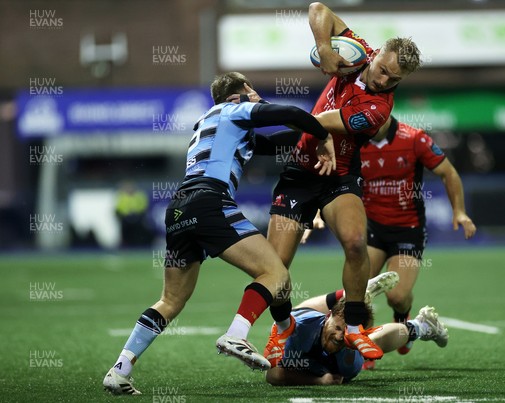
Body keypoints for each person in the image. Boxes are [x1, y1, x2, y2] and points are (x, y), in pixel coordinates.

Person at [102, 72, 336, 395]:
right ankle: (237, 334)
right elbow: (290, 114)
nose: (255, 94)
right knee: (274, 272)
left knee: (170, 300)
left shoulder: (209, 123)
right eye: (251, 89)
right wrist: (323, 133)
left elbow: (277, 139)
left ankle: (120, 369)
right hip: (209, 201)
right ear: (238, 94)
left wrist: (313, 137)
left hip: (179, 209)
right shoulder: (233, 110)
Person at [264, 1, 423, 366]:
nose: (383, 80)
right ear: (377, 52)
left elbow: (323, 120)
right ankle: (281, 328)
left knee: (355, 244)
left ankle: (353, 325)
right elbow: (319, 8)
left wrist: (321, 134)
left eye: (393, 79)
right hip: (300, 174)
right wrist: (324, 48)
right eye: (383, 70)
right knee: (274, 268)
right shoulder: (359, 51)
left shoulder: (379, 108)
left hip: (340, 175)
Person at [303, 115, 476, 368]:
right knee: (358, 293)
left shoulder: (415, 139)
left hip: (408, 230)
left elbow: (448, 172)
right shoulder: (354, 142)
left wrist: (459, 211)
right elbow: (328, 177)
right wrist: (316, 212)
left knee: (397, 296)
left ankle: (403, 317)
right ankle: (363, 345)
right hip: (371, 228)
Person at [265, 271, 448, 386]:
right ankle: (351, 294)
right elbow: (273, 375)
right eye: (337, 327)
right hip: (302, 319)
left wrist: (322, 378)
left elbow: (277, 376)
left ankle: (423, 325)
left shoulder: (347, 365)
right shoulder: (299, 331)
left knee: (374, 341)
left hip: (329, 351)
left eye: (345, 332)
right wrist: (318, 380)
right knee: (296, 312)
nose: (338, 336)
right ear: (327, 316)